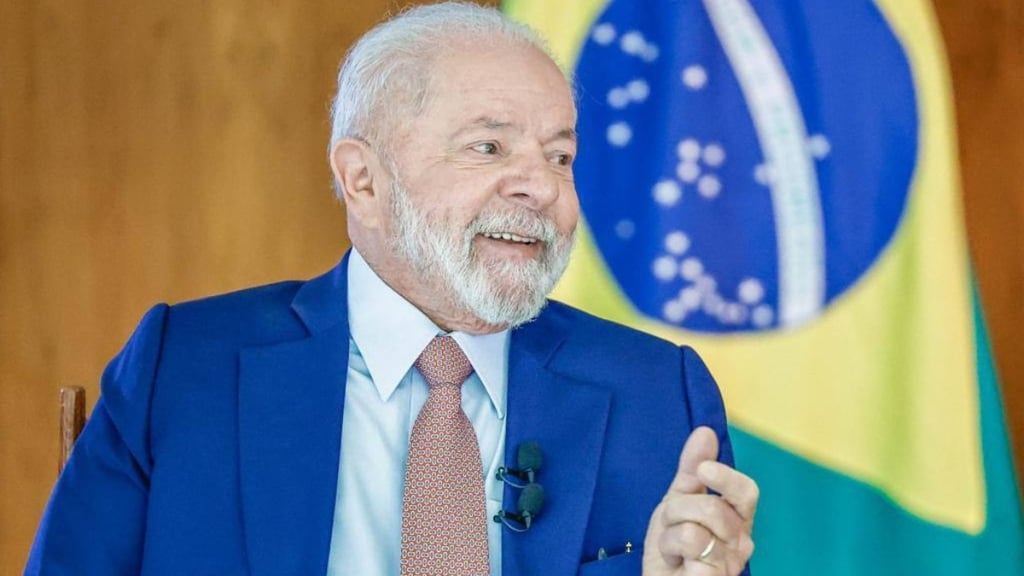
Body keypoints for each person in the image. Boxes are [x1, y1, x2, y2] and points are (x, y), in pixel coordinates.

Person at [26, 3, 758, 575]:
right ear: (364, 179)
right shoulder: (184, 369)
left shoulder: (659, 395)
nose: (541, 186)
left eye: (560, 154)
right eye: (489, 147)